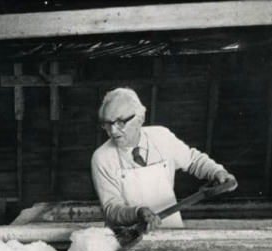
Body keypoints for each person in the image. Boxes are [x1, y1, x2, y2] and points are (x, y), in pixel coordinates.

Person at [91, 87, 236, 230]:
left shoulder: (162, 137)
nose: (113, 131)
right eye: (107, 124)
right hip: (127, 237)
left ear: (140, 119)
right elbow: (111, 208)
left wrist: (217, 172)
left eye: (120, 122)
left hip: (170, 229)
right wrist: (137, 212)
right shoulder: (102, 158)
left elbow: (193, 161)